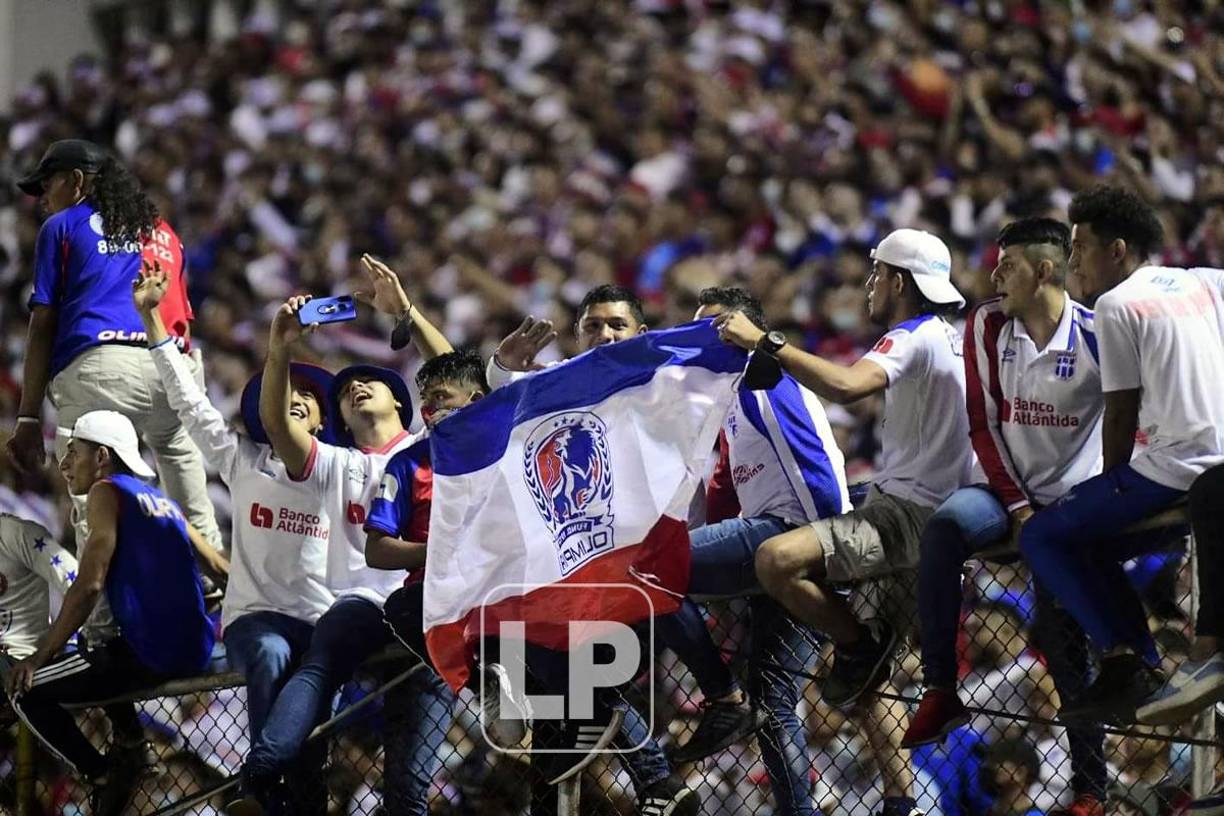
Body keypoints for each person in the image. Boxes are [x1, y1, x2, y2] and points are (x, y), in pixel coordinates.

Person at [902, 218, 1109, 816]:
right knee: (946, 528)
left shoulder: (1096, 336)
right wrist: (1017, 504)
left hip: (1070, 506)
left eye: (1007, 265)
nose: (993, 277)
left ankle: (1091, 789)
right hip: (1002, 491)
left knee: (1065, 646)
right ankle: (942, 686)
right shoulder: (988, 324)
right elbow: (983, 425)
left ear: (1044, 270)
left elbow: (1127, 420)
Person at [229, 262, 453, 814]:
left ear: (403, 404)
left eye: (368, 383)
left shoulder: (433, 446)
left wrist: (405, 313)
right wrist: (280, 347)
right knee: (321, 657)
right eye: (346, 390)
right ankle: (260, 775)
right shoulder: (334, 463)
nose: (353, 388)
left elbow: (453, 376)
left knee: (405, 790)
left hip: (431, 610)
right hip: (362, 605)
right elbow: (279, 426)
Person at [133, 260, 342, 814]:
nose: (297, 398)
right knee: (271, 655)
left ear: (323, 419)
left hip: (322, 624)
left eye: (309, 396)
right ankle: (260, 791)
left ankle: (294, 796)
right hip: (257, 620)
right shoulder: (241, 459)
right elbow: (189, 403)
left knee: (317, 743)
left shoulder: (343, 470)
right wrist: (153, 321)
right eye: (286, 391)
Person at [1018, 186, 1224, 722]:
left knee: (1042, 535)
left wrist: (1109, 485)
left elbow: (1121, 410)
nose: (1073, 261)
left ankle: (1131, 657)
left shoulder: (1115, 303)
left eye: (1082, 246)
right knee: (1089, 545)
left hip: (1174, 465)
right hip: (1217, 466)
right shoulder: (1205, 280)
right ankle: (1132, 659)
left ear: (1118, 250)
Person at [489, 283, 696, 815]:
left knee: (582, 677)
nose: (604, 334)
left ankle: (643, 774)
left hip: (641, 570)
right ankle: (652, 783)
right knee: (553, 667)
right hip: (572, 575)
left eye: (616, 325)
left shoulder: (663, 383)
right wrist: (503, 369)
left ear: (641, 334)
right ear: (577, 337)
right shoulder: (564, 387)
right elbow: (507, 413)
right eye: (592, 326)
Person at [652, 286, 849, 816]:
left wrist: (826, 547)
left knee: (649, 568)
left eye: (713, 327)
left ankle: (720, 697)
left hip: (792, 533)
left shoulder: (766, 379)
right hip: (774, 541)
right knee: (776, 702)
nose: (704, 339)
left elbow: (818, 470)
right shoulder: (732, 402)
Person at [6, 139, 222, 552]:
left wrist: (30, 417)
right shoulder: (164, 233)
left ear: (76, 180)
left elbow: (44, 321)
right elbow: (179, 315)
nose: (43, 200)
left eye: (47, 186)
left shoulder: (64, 226)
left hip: (102, 369)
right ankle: (213, 590)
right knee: (190, 496)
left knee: (95, 512)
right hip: (175, 367)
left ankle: (106, 614)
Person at [4, 410, 214, 816]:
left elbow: (89, 584)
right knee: (92, 642)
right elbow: (218, 567)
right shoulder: (163, 502)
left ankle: (103, 773)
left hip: (147, 657)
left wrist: (38, 656)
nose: (64, 463)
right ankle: (132, 743)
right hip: (197, 651)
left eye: (72, 452)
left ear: (101, 456)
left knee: (24, 691)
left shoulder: (105, 491)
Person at [366, 350, 488, 816]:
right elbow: (377, 549)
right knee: (407, 778)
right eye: (426, 400)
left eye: (442, 397)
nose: (431, 409)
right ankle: (487, 687)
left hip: (498, 606)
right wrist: (441, 553)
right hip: (428, 625)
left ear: (474, 400)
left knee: (549, 761)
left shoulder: (505, 450)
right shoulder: (407, 463)